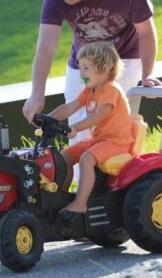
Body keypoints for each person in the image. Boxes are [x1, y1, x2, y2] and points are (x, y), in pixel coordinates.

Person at [23, 0, 162, 145]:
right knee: (78, 136)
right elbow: (46, 48)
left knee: (116, 132)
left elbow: (146, 33)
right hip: (83, 66)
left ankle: (121, 177)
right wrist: (37, 93)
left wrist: (147, 75)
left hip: (124, 62)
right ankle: (82, 178)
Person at [45, 42, 134, 219]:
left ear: (105, 68)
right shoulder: (90, 90)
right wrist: (46, 119)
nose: (81, 73)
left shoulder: (111, 91)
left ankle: (80, 203)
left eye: (86, 68)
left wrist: (76, 128)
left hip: (117, 143)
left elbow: (98, 117)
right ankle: (62, 197)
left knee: (86, 159)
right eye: (80, 68)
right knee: (64, 157)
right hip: (100, 140)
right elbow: (69, 107)